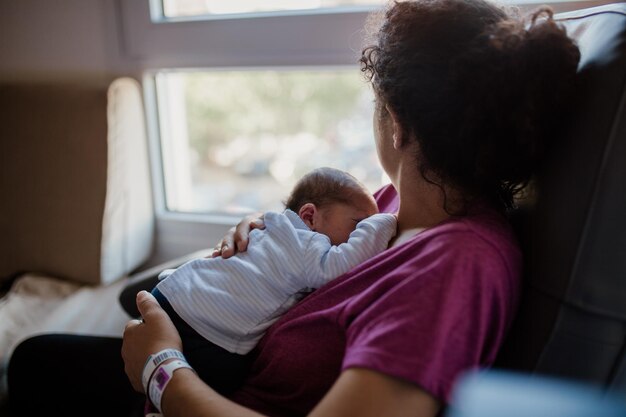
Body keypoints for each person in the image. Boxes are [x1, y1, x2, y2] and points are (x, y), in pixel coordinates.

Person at [6, 1, 580, 416]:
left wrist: (163, 373)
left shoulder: (456, 266)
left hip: (202, 392)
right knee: (46, 355)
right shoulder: (399, 207)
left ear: (398, 125)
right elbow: (313, 262)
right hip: (223, 363)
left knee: (35, 367)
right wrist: (261, 235)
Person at [150, 167, 396, 395]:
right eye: (359, 224)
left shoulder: (276, 228)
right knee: (226, 381)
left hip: (180, 294)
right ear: (309, 217)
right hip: (203, 327)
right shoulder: (306, 243)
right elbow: (340, 266)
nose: (361, 233)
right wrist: (383, 222)